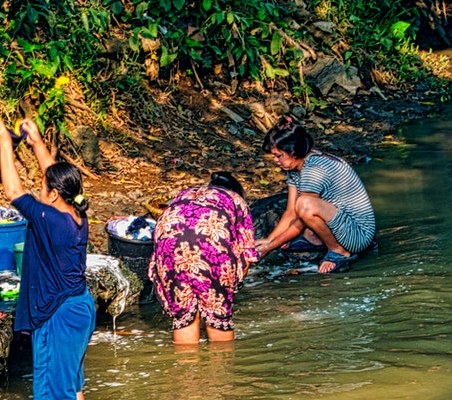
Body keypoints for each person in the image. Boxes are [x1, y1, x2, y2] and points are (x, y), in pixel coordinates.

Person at [0, 119, 94, 400]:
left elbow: (12, 191)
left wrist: (5, 145)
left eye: (43, 186)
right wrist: (37, 143)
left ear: (51, 195)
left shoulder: (47, 218)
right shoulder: (76, 214)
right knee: (73, 383)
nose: (40, 188)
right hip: (80, 307)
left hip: (58, 313)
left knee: (62, 390)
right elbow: (59, 179)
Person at [149, 171, 259, 345]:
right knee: (217, 315)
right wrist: (229, 289)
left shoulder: (185, 194)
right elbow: (247, 252)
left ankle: (187, 368)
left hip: (169, 246)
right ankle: (221, 366)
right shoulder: (236, 199)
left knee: (183, 316)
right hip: (211, 243)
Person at [255, 118, 376, 274]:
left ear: (293, 152)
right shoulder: (294, 168)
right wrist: (269, 240)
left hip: (358, 234)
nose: (276, 160)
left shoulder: (314, 168)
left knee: (305, 204)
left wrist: (271, 247)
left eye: (279, 155)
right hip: (339, 221)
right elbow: (291, 211)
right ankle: (317, 240)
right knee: (300, 208)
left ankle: (338, 251)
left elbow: (303, 211)